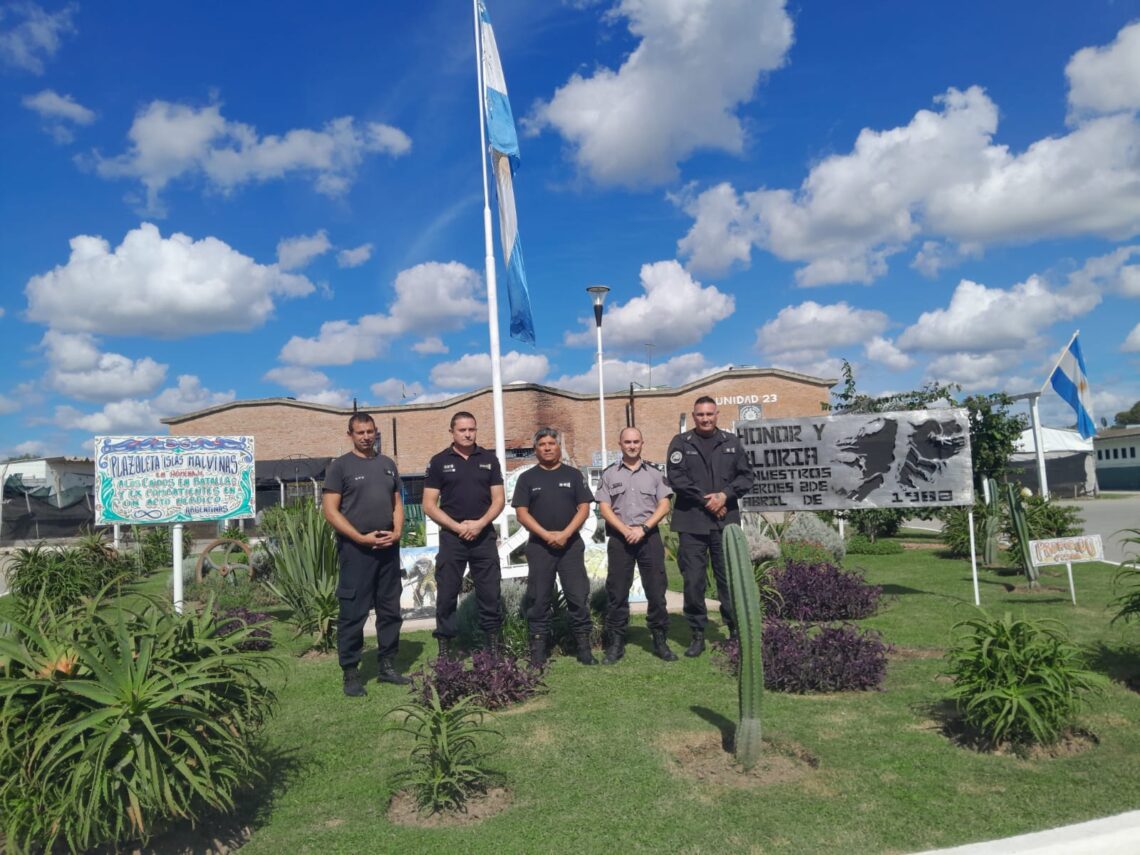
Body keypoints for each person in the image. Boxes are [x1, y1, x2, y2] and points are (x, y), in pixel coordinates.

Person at [322, 413, 410, 697]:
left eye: (370, 432)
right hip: (356, 550)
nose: (366, 437)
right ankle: (351, 672)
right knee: (353, 612)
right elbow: (330, 510)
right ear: (350, 434)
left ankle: (387, 666)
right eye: (360, 432)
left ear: (376, 432)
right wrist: (359, 537)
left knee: (390, 609)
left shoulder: (387, 465)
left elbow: (397, 502)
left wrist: (397, 531)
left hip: (388, 547)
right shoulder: (340, 467)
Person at [666, 396, 755, 657]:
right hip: (692, 522)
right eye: (700, 415)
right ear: (693, 416)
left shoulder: (731, 442)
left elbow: (746, 476)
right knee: (693, 581)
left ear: (717, 414)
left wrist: (725, 495)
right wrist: (708, 501)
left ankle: (734, 630)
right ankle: (697, 633)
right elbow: (676, 478)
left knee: (727, 579)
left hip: (724, 522)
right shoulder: (681, 442)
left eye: (710, 414)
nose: (705, 419)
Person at [423, 411, 505, 659]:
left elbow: (499, 499)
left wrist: (480, 524)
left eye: (472, 429)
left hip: (483, 537)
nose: (468, 434)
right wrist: (458, 527)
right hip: (452, 538)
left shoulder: (489, 460)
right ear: (452, 432)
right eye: (462, 430)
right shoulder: (438, 462)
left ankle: (492, 648)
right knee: (447, 593)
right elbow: (429, 504)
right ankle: (446, 650)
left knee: (490, 592)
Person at [511, 427, 596, 667]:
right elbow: (521, 513)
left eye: (551, 443)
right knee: (539, 600)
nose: (547, 448)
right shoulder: (527, 478)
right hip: (540, 547)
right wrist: (547, 535)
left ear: (559, 447)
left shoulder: (573, 475)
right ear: (535, 449)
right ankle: (538, 655)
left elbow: (584, 508)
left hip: (570, 547)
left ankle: (584, 650)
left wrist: (566, 534)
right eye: (542, 444)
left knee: (578, 597)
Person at [595, 426, 677, 664]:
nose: (632, 445)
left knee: (656, 591)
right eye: (627, 442)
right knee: (617, 593)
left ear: (643, 443)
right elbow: (604, 507)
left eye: (636, 441)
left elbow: (664, 504)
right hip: (620, 539)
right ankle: (616, 643)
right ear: (620, 444)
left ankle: (660, 640)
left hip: (648, 537)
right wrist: (625, 530)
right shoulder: (609, 474)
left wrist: (643, 528)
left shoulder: (654, 473)